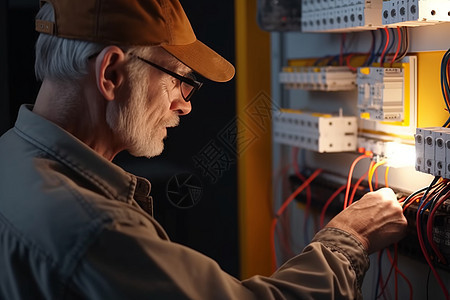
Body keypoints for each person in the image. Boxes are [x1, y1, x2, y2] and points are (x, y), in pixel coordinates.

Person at [0, 0, 407, 299]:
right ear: (111, 73)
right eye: (179, 79)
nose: (185, 103)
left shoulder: (11, 157)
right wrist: (348, 238)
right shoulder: (95, 230)